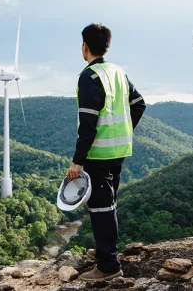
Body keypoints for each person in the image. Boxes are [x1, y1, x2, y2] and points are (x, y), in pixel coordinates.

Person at [66, 23, 146, 282]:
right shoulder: (117, 71)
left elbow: (88, 125)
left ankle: (108, 267)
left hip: (98, 155)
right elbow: (139, 104)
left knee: (101, 209)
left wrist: (77, 162)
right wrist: (124, 130)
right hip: (119, 150)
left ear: (84, 47)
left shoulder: (89, 77)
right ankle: (106, 256)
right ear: (107, 45)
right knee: (108, 206)